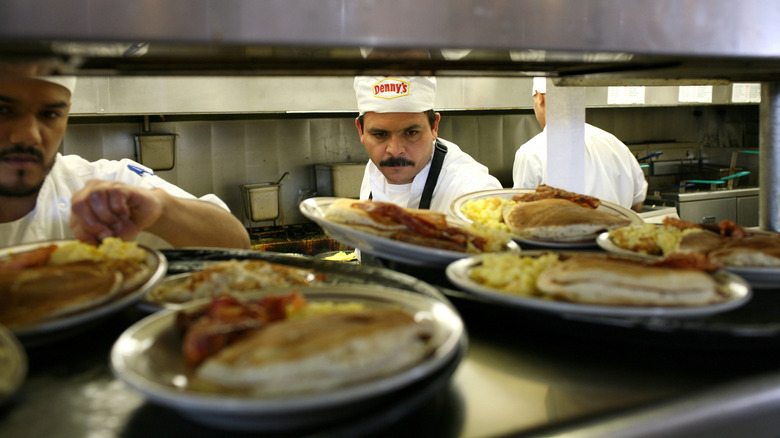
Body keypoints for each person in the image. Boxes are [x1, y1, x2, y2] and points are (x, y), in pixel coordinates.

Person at [0, 73, 250, 249]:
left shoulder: (101, 185)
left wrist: (161, 210)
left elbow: (236, 244)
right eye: (3, 110)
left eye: (50, 114)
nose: (29, 135)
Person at [353, 75, 502, 213]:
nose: (395, 150)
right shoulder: (375, 170)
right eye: (380, 135)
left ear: (434, 127)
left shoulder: (473, 194)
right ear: (361, 132)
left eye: (411, 133)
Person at [512, 77, 648, 212]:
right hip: (616, 232)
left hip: (561, 234)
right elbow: (638, 201)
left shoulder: (530, 153)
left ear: (540, 98)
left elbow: (521, 211)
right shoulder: (614, 143)